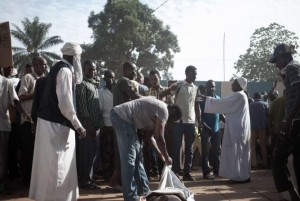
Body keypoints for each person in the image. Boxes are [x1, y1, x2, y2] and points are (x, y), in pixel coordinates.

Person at [29, 42, 86, 201]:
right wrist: (78, 126)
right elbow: (65, 104)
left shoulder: (56, 68)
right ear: (74, 57)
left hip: (47, 123)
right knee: (58, 166)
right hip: (57, 126)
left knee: (48, 166)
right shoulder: (65, 71)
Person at [110, 96, 182, 201]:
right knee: (129, 160)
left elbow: (150, 138)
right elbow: (159, 138)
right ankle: (130, 196)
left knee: (138, 158)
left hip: (128, 122)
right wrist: (167, 157)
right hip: (121, 118)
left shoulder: (156, 113)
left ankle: (144, 191)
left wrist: (161, 156)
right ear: (173, 111)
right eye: (172, 120)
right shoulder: (164, 110)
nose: (169, 123)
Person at [201, 77, 251, 182]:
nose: (232, 85)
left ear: (239, 85)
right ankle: (242, 175)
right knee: (239, 153)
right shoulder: (241, 95)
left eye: (234, 83)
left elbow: (223, 103)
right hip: (238, 128)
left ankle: (239, 177)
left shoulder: (239, 95)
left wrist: (206, 99)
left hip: (237, 129)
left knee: (237, 152)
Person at [268, 43, 300, 200]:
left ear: (283, 56)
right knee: (298, 162)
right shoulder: (294, 67)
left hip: (296, 122)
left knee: (277, 159)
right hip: (295, 120)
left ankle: (291, 196)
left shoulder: (292, 68)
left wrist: (288, 120)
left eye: (277, 60)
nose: (276, 65)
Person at [159, 65, 201, 181]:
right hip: (178, 122)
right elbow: (163, 94)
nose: (195, 76)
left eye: (196, 74)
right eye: (193, 73)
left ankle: (187, 172)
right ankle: (176, 172)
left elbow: (197, 106)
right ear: (187, 73)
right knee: (176, 148)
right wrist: (169, 89)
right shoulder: (179, 85)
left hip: (191, 122)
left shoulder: (196, 88)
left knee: (189, 149)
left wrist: (199, 121)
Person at [109, 61, 143, 188]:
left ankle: (118, 182)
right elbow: (134, 96)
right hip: (123, 122)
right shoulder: (124, 81)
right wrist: (150, 100)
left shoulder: (122, 82)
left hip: (123, 121)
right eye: (134, 70)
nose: (136, 72)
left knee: (125, 154)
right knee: (125, 155)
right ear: (128, 70)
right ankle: (117, 182)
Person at [18, 56, 46, 186]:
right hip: (29, 120)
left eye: (45, 65)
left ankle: (38, 179)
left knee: (40, 152)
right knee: (28, 151)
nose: (44, 67)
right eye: (41, 65)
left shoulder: (47, 79)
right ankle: (27, 181)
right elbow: (20, 96)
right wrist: (36, 94)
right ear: (35, 66)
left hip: (43, 121)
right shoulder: (28, 78)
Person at [0, 74, 30, 193]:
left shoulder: (6, 82)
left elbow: (15, 100)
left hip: (1, 125)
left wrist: (24, 113)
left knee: (2, 158)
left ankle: (1, 185)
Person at [76, 60, 101, 189]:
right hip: (88, 126)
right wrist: (88, 125)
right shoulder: (82, 84)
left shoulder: (94, 84)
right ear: (84, 70)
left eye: (94, 69)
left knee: (93, 154)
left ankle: (89, 179)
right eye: (90, 69)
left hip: (97, 125)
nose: (93, 71)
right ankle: (85, 180)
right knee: (86, 153)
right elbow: (82, 106)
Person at [199, 80, 222, 180]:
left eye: (213, 86)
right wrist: (207, 128)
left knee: (217, 151)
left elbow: (220, 114)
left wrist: (228, 121)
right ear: (206, 88)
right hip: (206, 129)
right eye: (210, 87)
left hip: (216, 129)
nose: (211, 88)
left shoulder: (218, 98)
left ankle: (217, 170)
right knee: (205, 152)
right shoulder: (202, 100)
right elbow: (199, 117)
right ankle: (206, 172)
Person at [98, 69, 115, 182]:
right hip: (107, 126)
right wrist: (102, 126)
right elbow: (99, 111)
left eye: (112, 77)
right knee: (106, 152)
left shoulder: (118, 91)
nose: (111, 79)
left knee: (115, 152)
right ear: (104, 79)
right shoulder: (101, 92)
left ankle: (114, 175)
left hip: (117, 126)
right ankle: (106, 176)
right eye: (108, 77)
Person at [249, 92, 269, 170]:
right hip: (262, 127)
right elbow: (267, 116)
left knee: (252, 146)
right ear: (260, 97)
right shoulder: (265, 104)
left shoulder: (250, 105)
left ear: (254, 97)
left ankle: (254, 164)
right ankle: (265, 163)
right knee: (263, 146)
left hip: (253, 128)